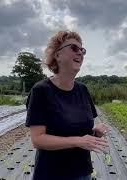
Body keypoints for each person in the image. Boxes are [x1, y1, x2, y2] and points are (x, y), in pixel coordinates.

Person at [25, 30, 110, 180]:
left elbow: (80, 133)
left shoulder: (83, 90)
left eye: (82, 50)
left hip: (83, 172)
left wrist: (94, 134)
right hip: (52, 174)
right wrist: (78, 141)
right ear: (57, 55)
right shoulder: (41, 91)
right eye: (74, 48)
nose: (80, 53)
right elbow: (37, 139)